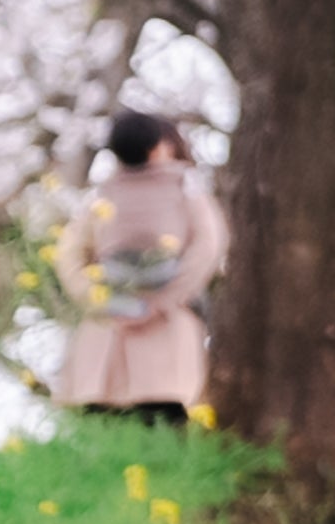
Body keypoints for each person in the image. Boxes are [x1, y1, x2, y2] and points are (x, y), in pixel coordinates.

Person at [47, 113, 223, 424]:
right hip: (166, 332)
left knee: (102, 429)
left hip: (108, 334)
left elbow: (69, 256)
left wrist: (100, 298)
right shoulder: (186, 193)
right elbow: (207, 247)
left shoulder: (102, 197)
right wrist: (164, 300)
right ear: (159, 147)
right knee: (163, 431)